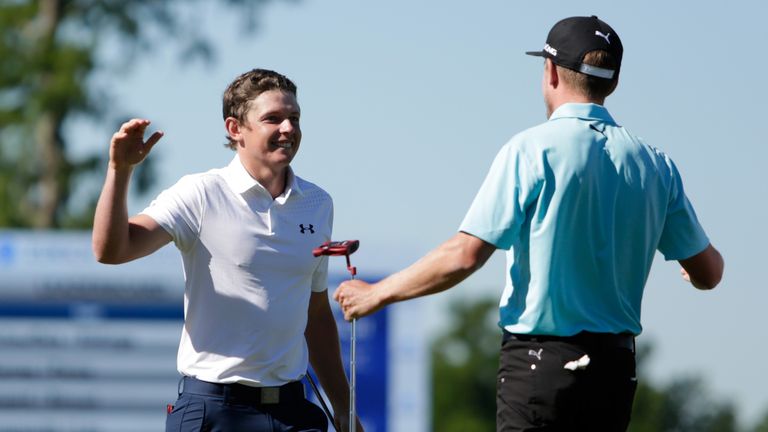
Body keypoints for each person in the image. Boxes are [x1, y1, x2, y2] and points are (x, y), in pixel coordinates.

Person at [333, 16, 724, 431]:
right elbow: (709, 272)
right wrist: (690, 268)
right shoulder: (656, 164)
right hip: (616, 371)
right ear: (613, 82)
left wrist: (377, 293)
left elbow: (465, 255)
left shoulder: (530, 149)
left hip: (541, 366)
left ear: (551, 72)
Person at [93, 68, 363, 432]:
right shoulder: (200, 193)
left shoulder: (317, 203)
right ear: (235, 129)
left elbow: (315, 315)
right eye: (273, 119)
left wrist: (344, 411)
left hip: (294, 413)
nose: (288, 128)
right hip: (213, 410)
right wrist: (119, 170)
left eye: (294, 118)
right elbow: (112, 250)